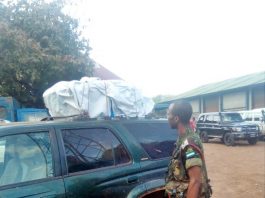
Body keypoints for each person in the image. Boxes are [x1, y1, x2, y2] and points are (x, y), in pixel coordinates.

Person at [165, 101, 212, 198]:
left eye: (169, 113)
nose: (167, 116)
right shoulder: (183, 138)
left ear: (176, 118)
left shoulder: (189, 143)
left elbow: (195, 181)